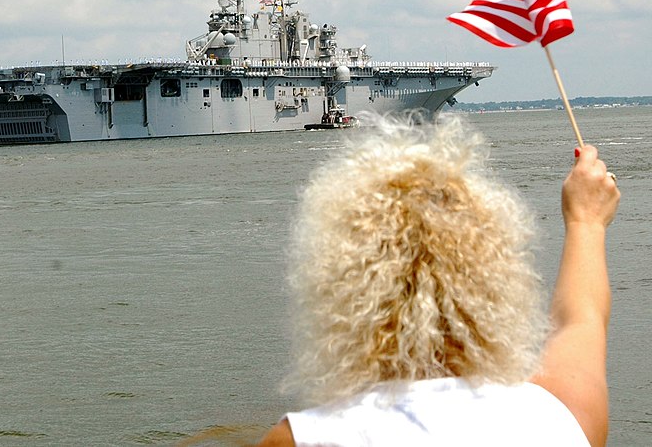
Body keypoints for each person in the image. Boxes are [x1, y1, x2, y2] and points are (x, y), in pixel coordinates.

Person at [257, 114, 620, 447]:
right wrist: (585, 220)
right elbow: (581, 321)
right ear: (496, 280)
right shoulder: (557, 416)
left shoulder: (307, 438)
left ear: (335, 288)